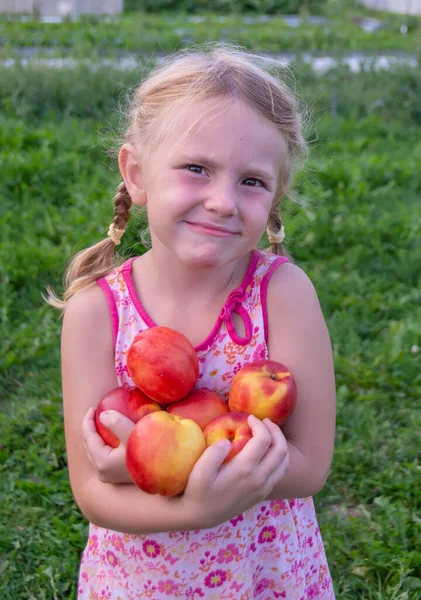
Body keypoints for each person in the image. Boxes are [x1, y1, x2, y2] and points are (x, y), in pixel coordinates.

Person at [51, 43, 336, 599]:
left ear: (275, 197)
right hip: (141, 582)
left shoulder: (281, 293)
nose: (223, 201)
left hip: (265, 575)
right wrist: (195, 508)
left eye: (252, 181)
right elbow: (90, 490)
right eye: (196, 169)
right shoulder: (96, 313)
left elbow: (309, 463)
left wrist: (163, 470)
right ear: (136, 174)